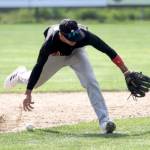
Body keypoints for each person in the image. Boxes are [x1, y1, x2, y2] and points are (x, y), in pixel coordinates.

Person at [4, 19, 130, 134]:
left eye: (76, 36)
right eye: (71, 37)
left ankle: (105, 122)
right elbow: (39, 66)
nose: (74, 40)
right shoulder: (50, 43)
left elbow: (108, 50)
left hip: (77, 54)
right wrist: (28, 92)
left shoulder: (84, 36)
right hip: (55, 57)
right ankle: (20, 74)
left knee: (91, 81)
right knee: (35, 82)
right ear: (61, 35)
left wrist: (125, 71)